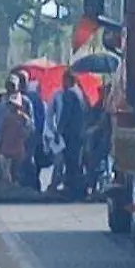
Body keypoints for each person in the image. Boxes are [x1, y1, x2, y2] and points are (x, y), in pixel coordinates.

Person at [57, 70, 87, 200]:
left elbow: (66, 114)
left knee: (70, 161)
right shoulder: (79, 92)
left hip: (71, 133)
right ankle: (78, 189)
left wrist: (59, 130)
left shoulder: (69, 93)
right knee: (77, 162)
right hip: (79, 132)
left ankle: (72, 189)